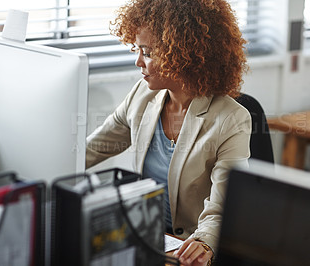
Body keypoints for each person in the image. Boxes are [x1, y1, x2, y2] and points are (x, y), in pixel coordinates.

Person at [86, 0, 251, 265]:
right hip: (146, 240)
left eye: (147, 52)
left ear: (182, 54)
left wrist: (204, 241)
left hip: (187, 252)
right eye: (138, 50)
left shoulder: (231, 119)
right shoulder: (141, 95)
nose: (138, 61)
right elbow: (92, 149)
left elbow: (224, 204)